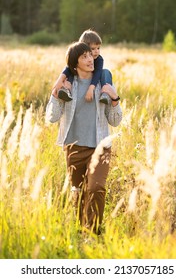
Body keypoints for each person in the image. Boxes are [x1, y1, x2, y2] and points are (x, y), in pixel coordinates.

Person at [46, 41, 122, 235]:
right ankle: (82, 231)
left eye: (91, 55)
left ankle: (92, 232)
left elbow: (115, 121)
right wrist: (55, 95)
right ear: (74, 63)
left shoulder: (103, 85)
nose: (90, 59)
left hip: (100, 146)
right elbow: (51, 117)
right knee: (79, 193)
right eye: (84, 57)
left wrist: (114, 99)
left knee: (96, 188)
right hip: (74, 147)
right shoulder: (68, 86)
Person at [54, 29, 112, 105]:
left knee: (106, 72)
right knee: (72, 71)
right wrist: (60, 79)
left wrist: (91, 88)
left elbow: (98, 73)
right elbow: (69, 67)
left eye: (98, 48)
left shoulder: (99, 59)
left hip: (93, 78)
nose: (97, 51)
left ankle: (105, 93)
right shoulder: (77, 59)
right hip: (80, 75)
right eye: (93, 49)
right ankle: (66, 90)